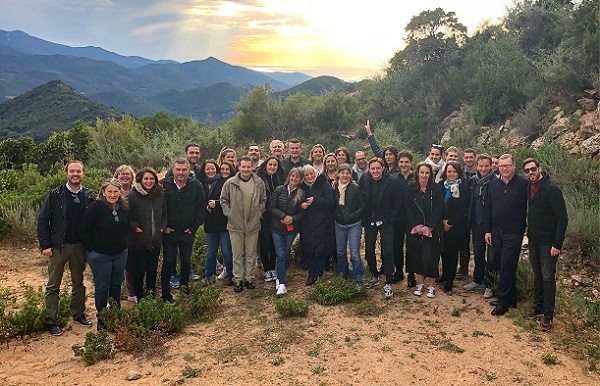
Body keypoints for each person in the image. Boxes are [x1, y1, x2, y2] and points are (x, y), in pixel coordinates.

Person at [37, 160, 95, 336]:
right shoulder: (55, 194)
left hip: (79, 247)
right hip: (58, 247)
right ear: (66, 173)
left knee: (78, 282)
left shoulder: (89, 195)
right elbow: (42, 220)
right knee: (53, 285)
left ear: (83, 173)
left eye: (78, 171)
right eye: (72, 171)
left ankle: (78, 314)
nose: (75, 174)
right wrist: (45, 245)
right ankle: (51, 321)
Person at [522, 158, 568, 332]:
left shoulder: (551, 190)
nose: (530, 173)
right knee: (537, 274)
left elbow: (562, 218)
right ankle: (538, 306)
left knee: (548, 276)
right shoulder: (529, 187)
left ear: (539, 168)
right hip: (534, 239)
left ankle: (548, 317)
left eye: (533, 169)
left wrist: (558, 243)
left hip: (549, 242)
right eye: (527, 171)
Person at [81, 178, 130, 331]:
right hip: (100, 255)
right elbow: (83, 229)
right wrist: (92, 250)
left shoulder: (123, 207)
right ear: (103, 192)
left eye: (116, 191)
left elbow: (127, 226)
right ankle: (102, 318)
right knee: (102, 287)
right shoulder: (96, 207)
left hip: (120, 253)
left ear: (120, 192)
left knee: (116, 285)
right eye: (109, 191)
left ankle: (115, 314)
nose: (113, 194)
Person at [484, 154, 529, 316]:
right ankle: (511, 298)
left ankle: (503, 303)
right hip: (496, 232)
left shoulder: (524, 184)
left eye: (507, 165)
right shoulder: (493, 184)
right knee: (502, 265)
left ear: (514, 166)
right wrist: (487, 230)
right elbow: (488, 208)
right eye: (502, 166)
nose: (504, 168)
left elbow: (530, 207)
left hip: (514, 232)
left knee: (508, 266)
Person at [160, 157, 206, 303]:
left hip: (187, 232)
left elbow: (201, 207)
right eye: (178, 169)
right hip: (170, 232)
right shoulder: (163, 185)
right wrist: (164, 226)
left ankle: (185, 290)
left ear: (188, 171)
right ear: (173, 170)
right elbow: (158, 207)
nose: (181, 172)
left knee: (185, 261)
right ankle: (166, 294)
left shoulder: (196, 185)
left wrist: (194, 227)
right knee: (168, 262)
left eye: (184, 170)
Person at [220, 156, 267, 292]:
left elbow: (263, 200)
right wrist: (229, 213)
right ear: (239, 167)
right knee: (237, 253)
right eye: (243, 166)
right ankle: (238, 279)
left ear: (252, 167)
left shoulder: (259, 183)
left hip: (253, 223)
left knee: (251, 253)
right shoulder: (230, 183)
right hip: (235, 224)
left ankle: (249, 278)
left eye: (248, 166)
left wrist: (258, 213)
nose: (246, 169)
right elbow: (223, 200)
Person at [358, 158, 401, 299]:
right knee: (369, 250)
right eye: (372, 169)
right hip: (370, 219)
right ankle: (374, 275)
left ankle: (388, 282)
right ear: (369, 169)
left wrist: (390, 218)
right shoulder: (364, 178)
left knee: (388, 251)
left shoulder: (393, 181)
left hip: (386, 220)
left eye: (378, 168)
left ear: (383, 168)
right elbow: (358, 195)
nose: (375, 171)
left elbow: (398, 202)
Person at [127, 167, 167, 301]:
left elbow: (164, 214)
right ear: (140, 179)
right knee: (138, 273)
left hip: (155, 241)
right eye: (146, 178)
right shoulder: (132, 196)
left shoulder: (159, 195)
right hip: (138, 242)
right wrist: (134, 227)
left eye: (151, 179)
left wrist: (162, 227)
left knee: (152, 272)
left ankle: (151, 298)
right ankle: (139, 298)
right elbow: (125, 216)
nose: (149, 181)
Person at [405, 163, 445, 299]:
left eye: (427, 173)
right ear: (417, 173)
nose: (424, 175)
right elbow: (407, 208)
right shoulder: (411, 189)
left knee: (432, 257)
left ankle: (432, 286)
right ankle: (420, 284)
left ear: (430, 174)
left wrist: (429, 226)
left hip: (432, 230)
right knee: (418, 256)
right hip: (416, 230)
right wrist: (416, 226)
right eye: (421, 172)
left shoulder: (436, 189)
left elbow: (439, 208)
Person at [463, 154, 496, 299]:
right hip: (476, 223)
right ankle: (478, 280)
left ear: (491, 166)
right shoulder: (472, 181)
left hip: (493, 224)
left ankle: (489, 284)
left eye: (486, 166)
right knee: (478, 253)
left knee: (492, 256)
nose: (483, 169)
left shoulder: (496, 182)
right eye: (481, 166)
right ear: (476, 166)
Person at [269, 167, 306, 296]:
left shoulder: (301, 193)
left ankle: (280, 277)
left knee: (285, 253)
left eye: (297, 177)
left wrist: (292, 219)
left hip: (291, 230)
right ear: (289, 176)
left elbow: (303, 213)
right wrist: (283, 216)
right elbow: (271, 207)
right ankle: (282, 284)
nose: (294, 179)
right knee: (280, 254)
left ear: (301, 179)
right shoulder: (279, 190)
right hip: (277, 228)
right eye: (292, 176)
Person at [437, 162, 470, 292]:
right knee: (443, 251)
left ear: (459, 173)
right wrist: (442, 221)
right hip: (441, 223)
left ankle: (450, 279)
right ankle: (444, 274)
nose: (451, 174)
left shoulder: (464, 187)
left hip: (456, 225)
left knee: (452, 252)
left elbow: (463, 207)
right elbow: (438, 204)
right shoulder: (441, 185)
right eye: (449, 171)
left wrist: (450, 222)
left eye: (454, 172)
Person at [300, 165, 335, 285]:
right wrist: (302, 205)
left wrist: (316, 199)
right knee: (309, 248)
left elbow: (331, 201)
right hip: (307, 223)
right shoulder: (302, 187)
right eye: (306, 175)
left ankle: (319, 274)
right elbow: (297, 202)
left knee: (320, 249)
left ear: (315, 173)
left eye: (311, 174)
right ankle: (311, 273)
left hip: (322, 222)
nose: (309, 177)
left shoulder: (323, 184)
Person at [201, 160, 234, 285]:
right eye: (207, 169)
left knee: (226, 251)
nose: (210, 171)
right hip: (210, 222)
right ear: (204, 170)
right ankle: (209, 276)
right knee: (211, 251)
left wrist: (217, 204)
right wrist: (206, 205)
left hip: (224, 222)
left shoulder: (225, 181)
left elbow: (231, 200)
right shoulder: (202, 183)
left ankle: (230, 275)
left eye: (213, 168)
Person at [334, 164, 366, 289]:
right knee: (340, 252)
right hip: (339, 224)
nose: (345, 175)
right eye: (342, 173)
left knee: (355, 254)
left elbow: (363, 205)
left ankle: (358, 279)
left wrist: (352, 216)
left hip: (353, 224)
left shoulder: (355, 188)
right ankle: (341, 276)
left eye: (347, 173)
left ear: (350, 175)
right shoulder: (335, 188)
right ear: (338, 174)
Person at [256, 156, 286, 282]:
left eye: (275, 165)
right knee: (264, 241)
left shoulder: (281, 179)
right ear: (265, 166)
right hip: (263, 215)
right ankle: (266, 269)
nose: (272, 167)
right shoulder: (259, 180)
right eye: (270, 165)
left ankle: (273, 268)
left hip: (277, 215)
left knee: (274, 242)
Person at [114, 164, 137, 303]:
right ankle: (114, 294)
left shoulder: (137, 192)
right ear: (116, 176)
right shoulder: (110, 191)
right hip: (114, 235)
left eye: (127, 174)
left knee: (131, 265)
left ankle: (131, 292)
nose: (125, 176)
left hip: (134, 234)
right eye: (122, 174)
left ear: (132, 177)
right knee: (115, 266)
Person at [396, 150, 415, 286]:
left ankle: (411, 274)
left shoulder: (416, 178)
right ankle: (398, 272)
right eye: (401, 162)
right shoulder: (393, 179)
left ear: (411, 163)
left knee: (411, 247)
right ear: (398, 163)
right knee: (397, 246)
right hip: (397, 218)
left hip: (412, 218)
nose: (404, 164)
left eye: (406, 162)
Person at [457, 148, 477, 276]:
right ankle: (463, 268)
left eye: (471, 157)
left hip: (476, 212)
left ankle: (479, 271)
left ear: (475, 158)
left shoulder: (480, 172)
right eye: (466, 157)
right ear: (463, 159)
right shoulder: (460, 174)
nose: (469, 159)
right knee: (463, 241)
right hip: (463, 213)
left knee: (477, 243)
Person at [215, 161, 235, 280]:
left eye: (227, 169)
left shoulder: (235, 182)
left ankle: (232, 273)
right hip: (220, 221)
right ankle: (227, 270)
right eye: (222, 169)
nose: (224, 172)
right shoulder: (216, 182)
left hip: (233, 220)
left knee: (232, 249)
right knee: (225, 249)